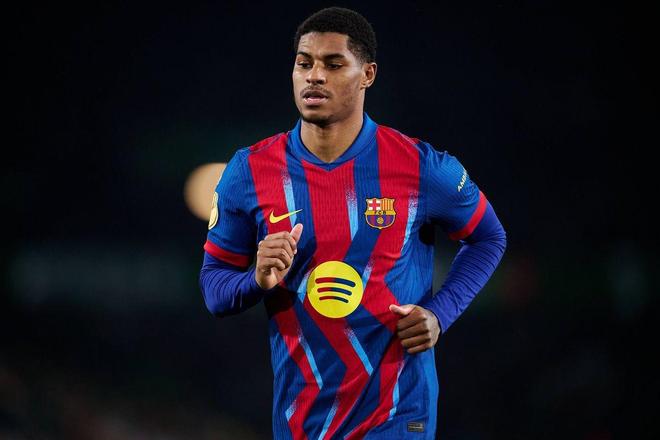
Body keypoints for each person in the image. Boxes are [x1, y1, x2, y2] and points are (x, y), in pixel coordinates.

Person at [199, 7, 506, 439]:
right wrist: (257, 279)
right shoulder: (249, 171)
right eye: (304, 63)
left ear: (368, 75)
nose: (314, 76)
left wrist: (439, 315)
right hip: (302, 419)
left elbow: (488, 237)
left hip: (398, 413)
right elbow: (214, 289)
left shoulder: (421, 167)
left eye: (333, 64)